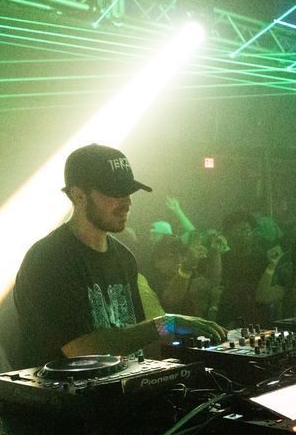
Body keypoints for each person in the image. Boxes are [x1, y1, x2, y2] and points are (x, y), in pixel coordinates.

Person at [12, 144, 222, 364]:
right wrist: (167, 323)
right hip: (65, 386)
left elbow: (136, 339)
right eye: (115, 193)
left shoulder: (124, 257)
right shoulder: (49, 259)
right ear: (78, 195)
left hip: (121, 383)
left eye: (128, 192)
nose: (128, 202)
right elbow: (82, 350)